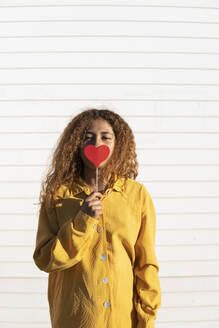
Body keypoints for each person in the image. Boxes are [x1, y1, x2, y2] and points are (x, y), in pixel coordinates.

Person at [33, 108, 161, 328]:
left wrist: (146, 318)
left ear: (118, 144)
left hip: (123, 320)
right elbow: (45, 259)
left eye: (106, 137)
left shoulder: (137, 195)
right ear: (76, 144)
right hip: (73, 319)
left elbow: (145, 264)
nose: (97, 143)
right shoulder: (58, 195)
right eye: (88, 137)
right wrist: (83, 220)